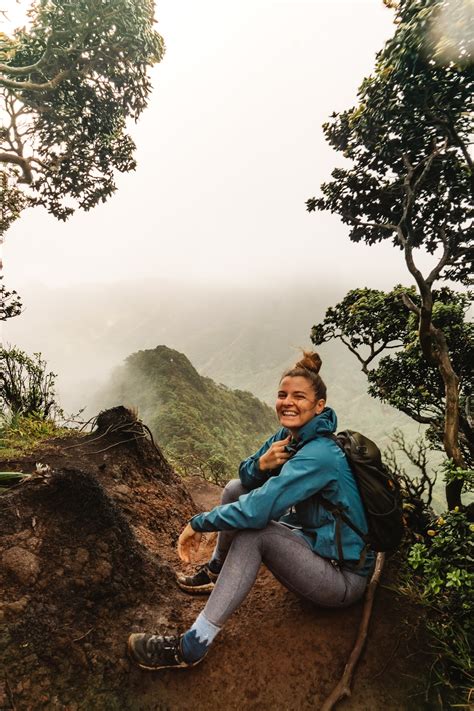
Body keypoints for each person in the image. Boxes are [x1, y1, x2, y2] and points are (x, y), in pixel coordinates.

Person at [128, 351, 374, 670]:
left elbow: (258, 510)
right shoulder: (290, 438)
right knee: (233, 488)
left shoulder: (319, 455)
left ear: (319, 406)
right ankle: (216, 570)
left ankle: (192, 646)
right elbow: (244, 476)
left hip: (343, 577)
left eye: (299, 397)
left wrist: (199, 522)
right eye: (282, 395)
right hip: (314, 542)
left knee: (252, 536)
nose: (287, 402)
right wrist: (261, 464)